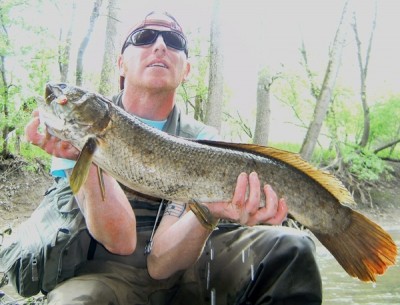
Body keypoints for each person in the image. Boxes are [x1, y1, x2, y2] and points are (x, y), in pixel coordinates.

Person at [25, 11, 322, 305]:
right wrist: (86, 162)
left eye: (174, 40)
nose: (160, 46)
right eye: (143, 37)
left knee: (293, 249)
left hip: (189, 266)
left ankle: (334, 222)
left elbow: (162, 264)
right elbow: (120, 240)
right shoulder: (68, 138)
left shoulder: (204, 138)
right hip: (106, 275)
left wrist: (208, 209)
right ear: (121, 64)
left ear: (187, 70)